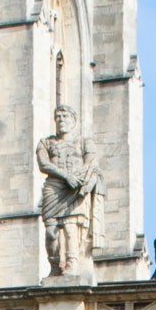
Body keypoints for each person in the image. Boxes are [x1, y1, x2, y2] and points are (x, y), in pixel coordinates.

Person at [37, 105, 106, 276]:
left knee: (70, 228)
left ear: (73, 120)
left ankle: (72, 263)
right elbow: (44, 164)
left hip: (75, 187)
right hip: (54, 188)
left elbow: (91, 163)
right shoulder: (45, 143)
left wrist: (80, 180)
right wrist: (65, 176)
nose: (61, 119)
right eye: (58, 116)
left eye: (65, 116)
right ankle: (54, 264)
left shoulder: (84, 142)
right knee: (51, 232)